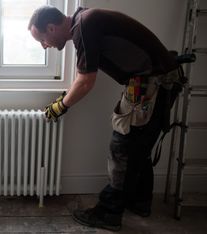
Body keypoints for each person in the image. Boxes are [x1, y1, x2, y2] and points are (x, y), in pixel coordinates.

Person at [28, 5, 184, 231]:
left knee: (123, 147)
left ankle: (108, 213)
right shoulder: (86, 20)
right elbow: (83, 76)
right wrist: (64, 99)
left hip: (153, 83)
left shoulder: (84, 26)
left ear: (51, 28)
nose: (44, 46)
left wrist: (60, 107)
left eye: (42, 39)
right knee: (139, 147)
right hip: (156, 80)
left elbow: (85, 82)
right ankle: (139, 202)